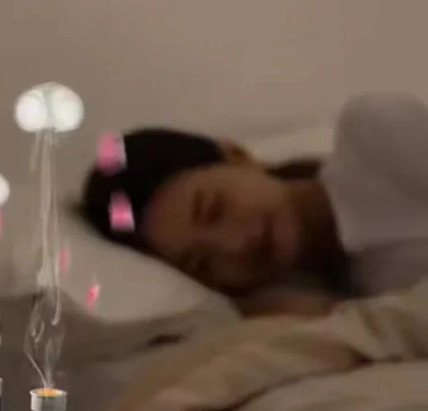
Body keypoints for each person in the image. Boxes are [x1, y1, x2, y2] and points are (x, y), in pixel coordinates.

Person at [81, 92, 428, 316]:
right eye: (204, 262)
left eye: (214, 209)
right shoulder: (344, 296)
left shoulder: (374, 136)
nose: (234, 246)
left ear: (237, 155)